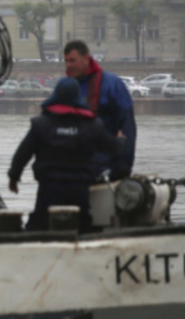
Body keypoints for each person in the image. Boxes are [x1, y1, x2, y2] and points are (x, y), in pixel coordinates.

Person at [8, 77, 125, 233]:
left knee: (39, 228)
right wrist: (121, 140)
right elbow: (112, 147)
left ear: (55, 95)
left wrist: (14, 177)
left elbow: (22, 154)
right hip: (80, 190)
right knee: (83, 229)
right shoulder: (92, 125)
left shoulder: (40, 124)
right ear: (78, 97)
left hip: (49, 189)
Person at [63, 40, 136, 181]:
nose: (68, 66)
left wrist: (123, 166)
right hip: (73, 171)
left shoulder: (112, 85)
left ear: (86, 58)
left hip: (105, 169)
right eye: (66, 61)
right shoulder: (66, 88)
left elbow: (127, 127)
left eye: (72, 60)